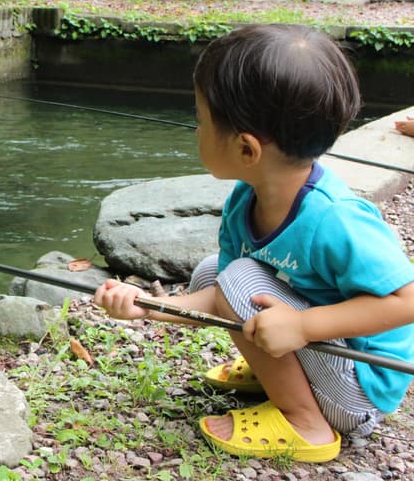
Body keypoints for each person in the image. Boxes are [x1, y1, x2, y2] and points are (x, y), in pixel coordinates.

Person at [93, 24, 414, 463]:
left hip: (360, 391)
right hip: (325, 358)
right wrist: (148, 308)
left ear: (247, 150)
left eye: (201, 120)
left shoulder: (335, 218)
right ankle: (280, 372)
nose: (196, 131)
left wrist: (302, 328)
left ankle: (306, 422)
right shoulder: (245, 200)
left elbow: (407, 302)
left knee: (239, 277)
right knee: (214, 272)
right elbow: (218, 296)